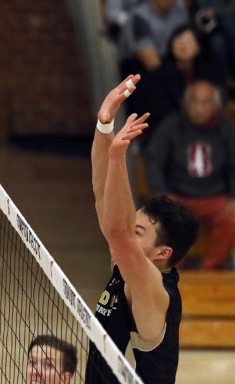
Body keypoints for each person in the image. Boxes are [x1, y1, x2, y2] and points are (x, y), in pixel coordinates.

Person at [85, 74, 199, 383]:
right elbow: (101, 191)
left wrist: (119, 157)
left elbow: (118, 231)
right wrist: (104, 126)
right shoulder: (127, 265)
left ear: (163, 252)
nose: (126, 229)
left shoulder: (153, 289)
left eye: (139, 231)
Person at [143, 79, 235, 269]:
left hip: (214, 197)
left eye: (205, 103)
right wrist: (161, 192)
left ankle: (210, 267)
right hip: (177, 196)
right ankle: (174, 268)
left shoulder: (226, 129)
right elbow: (154, 158)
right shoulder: (172, 125)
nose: (199, 108)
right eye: (194, 102)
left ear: (215, 105)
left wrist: (233, 197)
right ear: (186, 104)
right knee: (164, 223)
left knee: (232, 217)